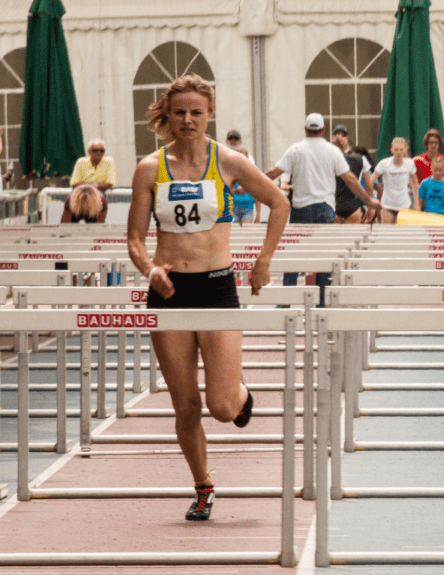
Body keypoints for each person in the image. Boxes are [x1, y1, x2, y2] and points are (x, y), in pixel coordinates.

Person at [126, 74, 289, 521]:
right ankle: (203, 486)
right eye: (179, 112)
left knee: (220, 407)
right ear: (168, 115)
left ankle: (240, 394)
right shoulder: (149, 169)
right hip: (170, 293)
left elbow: (279, 203)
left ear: (210, 114)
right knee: (186, 405)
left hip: (217, 287)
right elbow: (136, 240)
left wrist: (263, 261)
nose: (187, 120)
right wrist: (149, 270)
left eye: (196, 112)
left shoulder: (230, 162)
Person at [265, 113, 379, 305]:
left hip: (301, 208)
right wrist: (369, 200)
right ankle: (322, 301)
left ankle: (285, 300)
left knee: (294, 254)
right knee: (324, 255)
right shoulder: (332, 151)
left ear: (305, 129)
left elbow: (272, 173)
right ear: (324, 130)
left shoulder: (295, 150)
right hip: (326, 209)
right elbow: (350, 179)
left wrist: (246, 184)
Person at [331, 124, 376, 224]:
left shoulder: (328, 158)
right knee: (351, 238)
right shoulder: (360, 159)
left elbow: (369, 187)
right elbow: (369, 187)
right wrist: (370, 206)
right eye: (337, 134)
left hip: (334, 205)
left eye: (341, 135)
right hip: (352, 206)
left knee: (334, 239)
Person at [370, 137, 417, 224]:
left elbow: (414, 183)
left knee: (403, 235)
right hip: (387, 205)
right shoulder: (384, 163)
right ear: (391, 150)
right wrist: (369, 199)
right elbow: (371, 181)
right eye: (396, 149)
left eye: (401, 149)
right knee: (387, 234)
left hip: (404, 205)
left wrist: (416, 203)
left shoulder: (410, 163)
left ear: (405, 150)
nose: (398, 152)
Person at [415, 155, 444, 224]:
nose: (437, 173)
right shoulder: (425, 183)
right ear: (431, 168)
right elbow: (419, 203)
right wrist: (417, 218)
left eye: (440, 170)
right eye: (435, 170)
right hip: (428, 217)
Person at [224, 130, 257, 225]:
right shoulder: (223, 156)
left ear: (240, 142)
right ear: (227, 141)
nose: (233, 141)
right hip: (230, 205)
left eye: (236, 139)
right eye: (231, 139)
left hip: (247, 205)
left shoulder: (248, 158)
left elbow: (254, 181)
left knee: (246, 233)